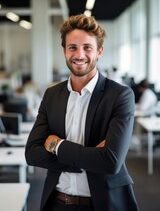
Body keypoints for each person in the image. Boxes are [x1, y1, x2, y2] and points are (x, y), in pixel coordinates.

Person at [25, 14, 139, 211]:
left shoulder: (120, 95)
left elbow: (110, 162)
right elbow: (32, 154)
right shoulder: (52, 95)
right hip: (57, 202)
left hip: (103, 204)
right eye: (72, 48)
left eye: (87, 47)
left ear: (99, 51)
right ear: (64, 51)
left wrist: (57, 145)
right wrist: (92, 157)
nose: (79, 55)